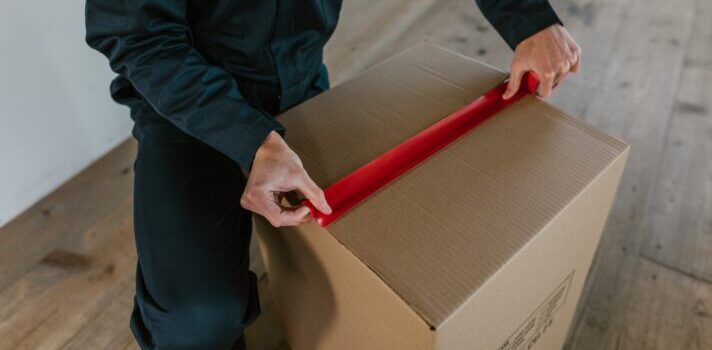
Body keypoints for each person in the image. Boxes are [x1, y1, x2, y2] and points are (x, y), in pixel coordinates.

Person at [85, 1, 580, 349]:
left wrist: (530, 18)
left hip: (300, 85)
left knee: (379, 260)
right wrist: (251, 139)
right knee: (197, 319)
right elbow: (136, 34)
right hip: (185, 110)